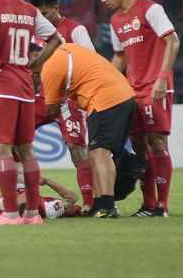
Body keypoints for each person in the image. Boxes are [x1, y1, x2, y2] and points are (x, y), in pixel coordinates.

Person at [0, 0, 63, 226]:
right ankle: (33, 214)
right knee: (27, 151)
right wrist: (36, 63)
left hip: (0, 87)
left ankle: (11, 213)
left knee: (1, 150)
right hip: (25, 87)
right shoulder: (29, 10)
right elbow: (57, 39)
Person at [97, 0, 180, 217]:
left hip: (156, 87)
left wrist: (163, 77)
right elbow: (120, 57)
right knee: (138, 148)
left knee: (157, 143)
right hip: (131, 92)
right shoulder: (115, 21)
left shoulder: (150, 9)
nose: (103, 0)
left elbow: (173, 40)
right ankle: (148, 204)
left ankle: (162, 206)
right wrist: (102, 84)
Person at [40, 43, 136, 218]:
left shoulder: (49, 68)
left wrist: (61, 98)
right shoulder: (67, 49)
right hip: (123, 95)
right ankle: (98, 204)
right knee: (95, 153)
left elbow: (51, 111)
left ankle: (107, 206)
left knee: (100, 152)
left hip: (105, 99)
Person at [28, 0, 95, 212]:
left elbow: (91, 62)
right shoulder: (34, 34)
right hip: (42, 97)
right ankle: (21, 194)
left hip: (69, 98)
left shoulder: (76, 30)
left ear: (57, 8)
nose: (41, 20)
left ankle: (88, 202)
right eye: (38, 16)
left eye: (45, 15)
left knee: (77, 148)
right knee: (12, 136)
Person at [0, 175, 81, 220]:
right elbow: (72, 198)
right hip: (70, 210)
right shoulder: (48, 209)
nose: (21, 194)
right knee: (72, 209)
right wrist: (46, 181)